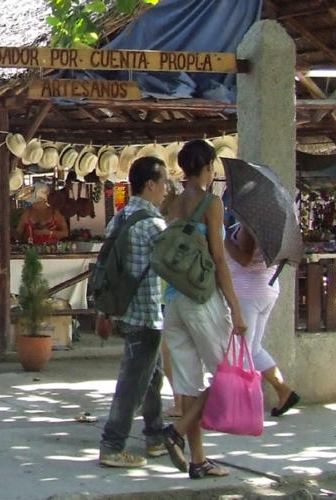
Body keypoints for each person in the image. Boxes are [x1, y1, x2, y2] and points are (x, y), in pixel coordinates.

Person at [161, 139, 247, 479]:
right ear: (208, 167)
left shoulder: (172, 204)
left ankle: (198, 460)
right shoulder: (211, 203)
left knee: (188, 384)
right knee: (227, 374)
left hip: (173, 299)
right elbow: (219, 259)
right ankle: (177, 430)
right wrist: (236, 309)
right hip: (201, 298)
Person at [99, 156, 169, 468]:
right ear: (150, 184)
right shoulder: (153, 225)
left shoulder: (121, 218)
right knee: (132, 383)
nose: (167, 189)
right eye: (164, 183)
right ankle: (112, 445)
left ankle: (155, 436)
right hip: (146, 313)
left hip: (125, 310)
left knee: (152, 376)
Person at [225, 222, 300, 417]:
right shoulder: (274, 228)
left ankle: (245, 406)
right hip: (265, 289)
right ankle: (284, 391)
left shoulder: (250, 227)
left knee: (242, 353)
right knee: (254, 349)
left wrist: (224, 239)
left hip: (248, 293)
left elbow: (245, 259)